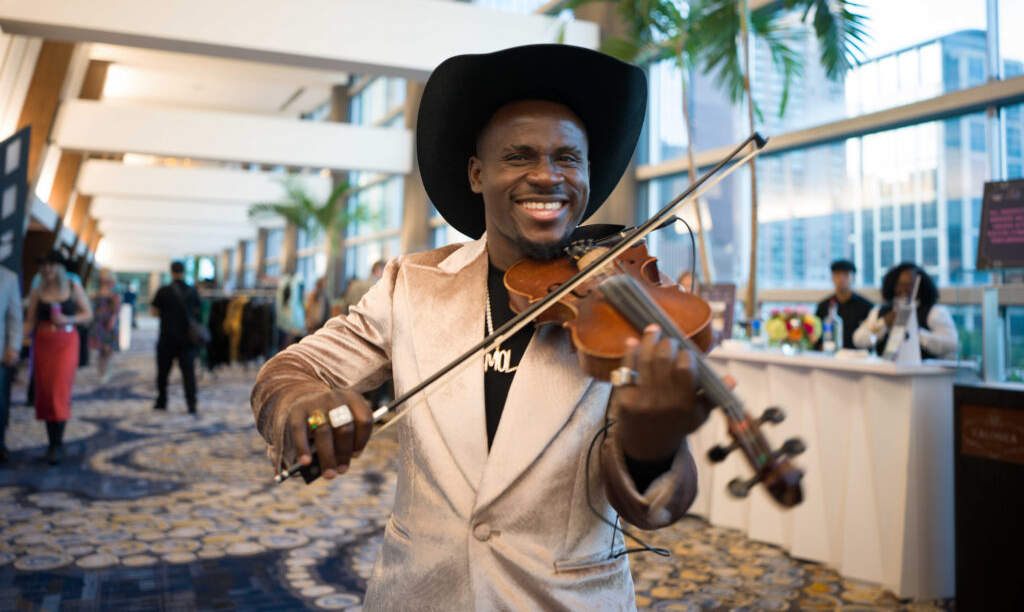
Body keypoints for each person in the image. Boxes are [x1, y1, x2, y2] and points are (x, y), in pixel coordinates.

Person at [251, 44, 710, 611]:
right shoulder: (411, 283)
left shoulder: (627, 308)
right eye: (519, 157)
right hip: (419, 593)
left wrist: (653, 446)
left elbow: (654, 508)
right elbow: (295, 369)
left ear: (588, 173)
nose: (547, 176)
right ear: (477, 173)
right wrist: (302, 401)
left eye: (568, 158)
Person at [24, 250, 93, 464]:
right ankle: (52, 443)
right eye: (44, 265)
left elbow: (87, 314)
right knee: (44, 391)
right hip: (43, 342)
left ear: (60, 268)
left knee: (58, 390)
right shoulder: (38, 291)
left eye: (51, 265)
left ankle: (57, 444)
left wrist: (68, 318)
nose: (47, 269)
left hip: (66, 341)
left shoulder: (73, 287)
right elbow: (30, 321)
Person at [852, 262, 959, 359]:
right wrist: (883, 323)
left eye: (910, 285)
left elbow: (952, 344)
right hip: (885, 372)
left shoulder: (935, 312)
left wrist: (914, 330)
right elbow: (858, 340)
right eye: (900, 284)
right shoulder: (879, 312)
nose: (905, 290)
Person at [150, 261, 200, 413]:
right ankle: (191, 403)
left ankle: (162, 401)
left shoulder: (163, 291)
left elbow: (154, 312)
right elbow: (197, 312)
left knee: (163, 372)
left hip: (167, 337)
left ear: (171, 272)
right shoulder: (192, 291)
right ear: (184, 272)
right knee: (189, 374)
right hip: (187, 339)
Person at [813, 260, 872, 350]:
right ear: (832, 277)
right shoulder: (823, 306)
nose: (841, 279)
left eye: (846, 274)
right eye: (837, 274)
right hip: (830, 357)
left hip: (857, 357)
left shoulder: (866, 306)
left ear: (854, 278)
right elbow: (816, 335)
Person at [0, 264, 22, 462]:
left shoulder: (8, 278)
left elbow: (14, 318)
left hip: (0, 354)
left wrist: (13, 347)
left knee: (0, 402)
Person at [89, 268, 121, 383]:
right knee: (100, 349)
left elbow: (117, 306)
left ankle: (107, 372)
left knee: (108, 349)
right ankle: (101, 372)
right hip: (99, 322)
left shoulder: (114, 288)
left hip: (108, 321)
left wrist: (113, 319)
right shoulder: (99, 287)